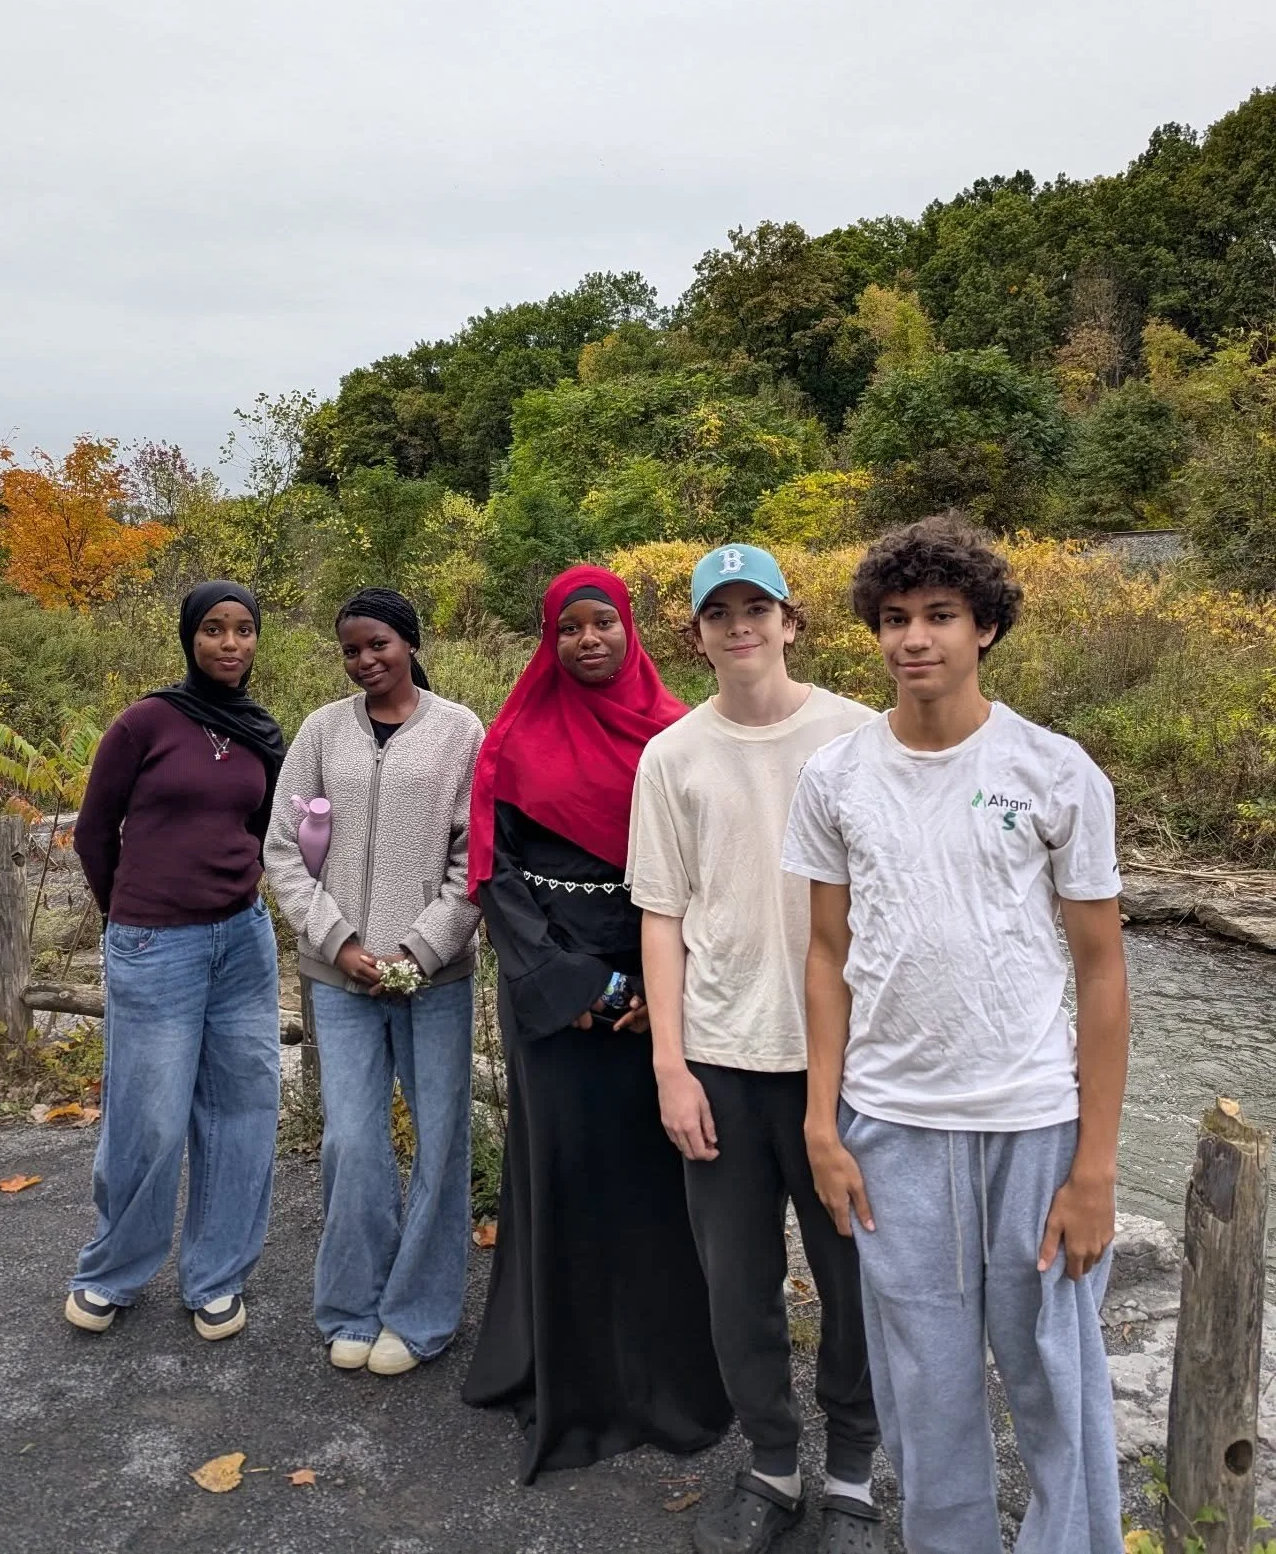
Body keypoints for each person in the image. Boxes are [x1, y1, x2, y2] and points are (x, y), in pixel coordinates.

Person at [784, 515, 1129, 1554]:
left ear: (985, 627)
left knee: (1055, 1380)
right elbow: (826, 954)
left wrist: (1097, 1167)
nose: (914, 638)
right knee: (926, 1387)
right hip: (891, 1125)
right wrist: (822, 1122)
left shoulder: (1055, 771)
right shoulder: (836, 777)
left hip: (1035, 1122)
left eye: (940, 615)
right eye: (894, 618)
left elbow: (1103, 968)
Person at [630, 543, 884, 1554]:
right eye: (720, 612)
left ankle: (857, 1473)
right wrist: (671, 1064)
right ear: (695, 634)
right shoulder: (673, 755)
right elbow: (660, 915)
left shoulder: (859, 735)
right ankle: (774, 1463)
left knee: (855, 1279)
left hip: (848, 1061)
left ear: (792, 619)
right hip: (725, 1058)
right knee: (738, 1286)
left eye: (757, 607)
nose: (741, 625)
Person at [462, 565, 731, 1483]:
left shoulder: (680, 733)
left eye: (602, 623)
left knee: (658, 1193)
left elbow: (711, 875)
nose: (586, 640)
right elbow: (495, 875)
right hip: (557, 998)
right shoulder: (513, 737)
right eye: (569, 626)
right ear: (550, 637)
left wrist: (666, 988)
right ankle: (565, 1378)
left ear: (631, 630)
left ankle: (663, 1381)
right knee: (566, 1177)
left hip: (660, 989)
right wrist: (578, 986)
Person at [265, 588, 484, 1377]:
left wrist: (420, 949)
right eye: (352, 649)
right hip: (341, 975)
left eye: (379, 643)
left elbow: (474, 857)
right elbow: (282, 848)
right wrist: (341, 941)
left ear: (410, 643)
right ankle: (352, 1305)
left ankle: (420, 1314)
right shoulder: (322, 731)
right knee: (351, 1141)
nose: (366, 660)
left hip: (436, 978)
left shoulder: (460, 731)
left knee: (439, 1145)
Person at [67, 580, 286, 1341]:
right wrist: (126, 916)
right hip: (155, 943)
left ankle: (216, 1275)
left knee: (243, 1108)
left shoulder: (261, 732)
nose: (231, 643)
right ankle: (111, 1270)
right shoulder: (145, 723)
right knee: (148, 1115)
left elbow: (263, 829)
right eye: (215, 630)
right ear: (189, 637)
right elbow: (94, 833)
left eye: (245, 630)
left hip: (244, 941)